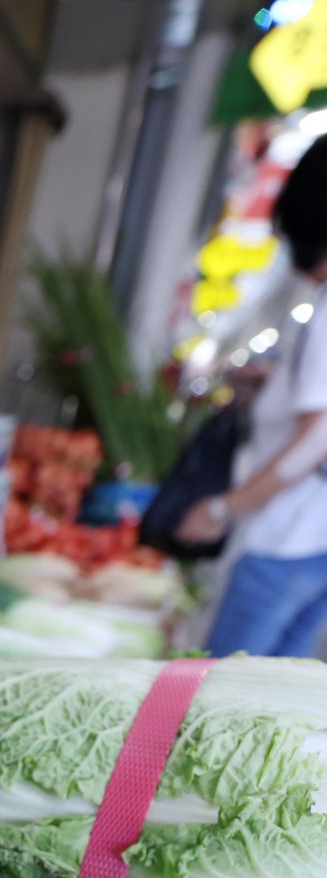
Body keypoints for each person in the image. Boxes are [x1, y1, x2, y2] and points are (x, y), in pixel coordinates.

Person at [179, 137, 327, 656]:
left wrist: (222, 509)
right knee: (270, 711)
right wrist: (279, 389)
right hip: (317, 547)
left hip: (286, 540)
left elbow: (318, 439)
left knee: (219, 702)